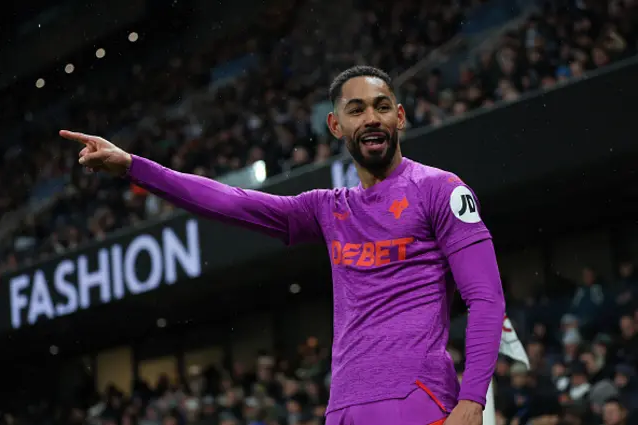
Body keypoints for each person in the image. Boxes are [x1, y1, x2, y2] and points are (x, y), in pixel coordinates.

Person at [61, 65, 505, 425]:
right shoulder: (327, 209)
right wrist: (134, 167)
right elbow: (230, 202)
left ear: (400, 117)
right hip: (344, 408)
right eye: (356, 110)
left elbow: (486, 298)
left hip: (418, 399)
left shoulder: (440, 190)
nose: (371, 118)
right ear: (335, 125)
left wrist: (472, 401)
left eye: (382, 107)